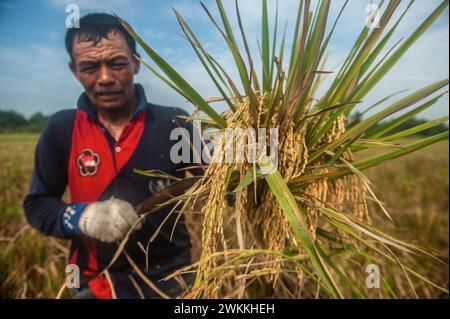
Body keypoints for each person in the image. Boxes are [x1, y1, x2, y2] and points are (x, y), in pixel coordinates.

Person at [23, 13, 200, 299]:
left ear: (136, 63)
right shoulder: (62, 128)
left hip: (170, 280)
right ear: (74, 70)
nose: (105, 78)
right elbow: (37, 204)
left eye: (117, 64)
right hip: (93, 282)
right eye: (90, 67)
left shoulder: (174, 124)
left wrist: (259, 160)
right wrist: (85, 217)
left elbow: (226, 186)